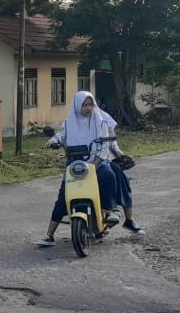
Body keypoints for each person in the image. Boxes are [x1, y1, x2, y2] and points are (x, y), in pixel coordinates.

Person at [36, 90, 142, 247]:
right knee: (64, 194)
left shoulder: (100, 121)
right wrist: (53, 140)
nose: (88, 108)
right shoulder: (69, 122)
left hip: (97, 162)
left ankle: (109, 210)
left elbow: (106, 144)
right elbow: (61, 135)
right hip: (75, 164)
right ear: (77, 106)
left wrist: (96, 162)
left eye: (90, 104)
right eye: (84, 105)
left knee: (108, 174)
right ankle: (49, 235)